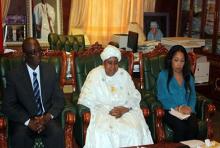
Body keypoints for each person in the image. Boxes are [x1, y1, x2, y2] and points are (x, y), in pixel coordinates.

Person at [78, 45, 153, 148]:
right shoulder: (94, 75)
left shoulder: (124, 75)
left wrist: (125, 109)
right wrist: (104, 109)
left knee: (134, 131)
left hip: (125, 111)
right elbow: (85, 98)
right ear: (103, 62)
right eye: (109, 63)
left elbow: (134, 95)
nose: (113, 67)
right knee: (103, 134)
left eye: (116, 63)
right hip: (103, 113)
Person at [2, 37, 64, 148]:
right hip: (25, 120)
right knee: (19, 137)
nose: (39, 54)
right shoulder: (14, 75)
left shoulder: (50, 70)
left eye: (39, 50)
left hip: (46, 118)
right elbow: (8, 105)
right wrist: (28, 121)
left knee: (57, 133)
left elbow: (59, 99)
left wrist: (47, 117)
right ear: (24, 56)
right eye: (34, 52)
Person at [157, 45, 198, 142]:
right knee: (180, 127)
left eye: (182, 61)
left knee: (193, 126)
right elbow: (162, 97)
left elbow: (192, 96)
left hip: (186, 110)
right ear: (170, 60)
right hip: (169, 110)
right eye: (176, 60)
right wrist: (179, 108)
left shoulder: (188, 76)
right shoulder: (163, 75)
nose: (179, 64)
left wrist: (190, 109)